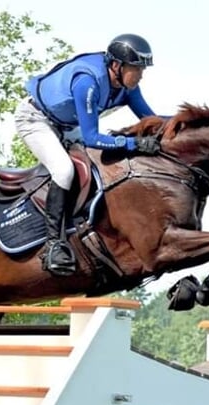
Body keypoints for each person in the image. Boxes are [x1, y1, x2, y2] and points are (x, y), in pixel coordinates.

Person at [16, 33, 165, 276]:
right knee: (64, 171)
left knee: (100, 170)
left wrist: (186, 123)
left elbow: (151, 121)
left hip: (66, 125)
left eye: (142, 70)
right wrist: (133, 143)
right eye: (136, 69)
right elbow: (92, 138)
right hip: (36, 120)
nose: (140, 75)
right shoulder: (88, 81)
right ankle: (53, 244)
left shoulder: (127, 87)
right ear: (116, 66)